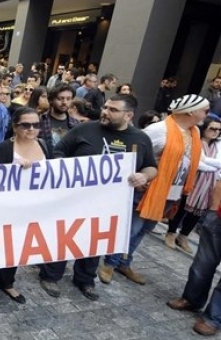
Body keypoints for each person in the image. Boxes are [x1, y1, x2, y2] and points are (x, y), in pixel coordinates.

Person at [40, 94, 158, 300]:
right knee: (63, 237)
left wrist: (144, 175)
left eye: (113, 110)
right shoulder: (84, 129)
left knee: (94, 241)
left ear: (129, 115)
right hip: (73, 199)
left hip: (109, 205)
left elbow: (151, 166)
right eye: (105, 107)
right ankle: (50, 275)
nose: (105, 112)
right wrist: (68, 170)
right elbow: (58, 152)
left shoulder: (140, 139)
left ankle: (85, 280)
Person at [99, 94, 207, 286]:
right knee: (131, 229)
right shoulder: (160, 129)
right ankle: (109, 263)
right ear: (191, 111)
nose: (207, 113)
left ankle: (125, 262)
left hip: (171, 192)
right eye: (204, 110)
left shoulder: (195, 132)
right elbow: (134, 150)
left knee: (145, 230)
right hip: (148, 189)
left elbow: (198, 161)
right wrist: (141, 174)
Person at [0, 107, 51, 305]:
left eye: (36, 125)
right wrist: (12, 171)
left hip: (29, 209)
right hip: (0, 209)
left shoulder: (43, 144)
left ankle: (7, 282)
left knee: (16, 246)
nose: (31, 129)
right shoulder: (4, 149)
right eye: (26, 125)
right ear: (15, 126)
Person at [167, 180, 221, 335]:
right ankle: (191, 299)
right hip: (218, 218)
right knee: (202, 264)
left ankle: (213, 318)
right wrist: (212, 210)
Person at [165, 116, 221, 252]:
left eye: (218, 130)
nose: (215, 132)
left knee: (198, 212)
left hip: (209, 183)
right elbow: (197, 162)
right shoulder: (195, 140)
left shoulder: (217, 145)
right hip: (192, 178)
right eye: (212, 128)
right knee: (182, 207)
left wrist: (209, 163)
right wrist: (214, 166)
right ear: (205, 128)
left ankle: (183, 236)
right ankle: (171, 233)